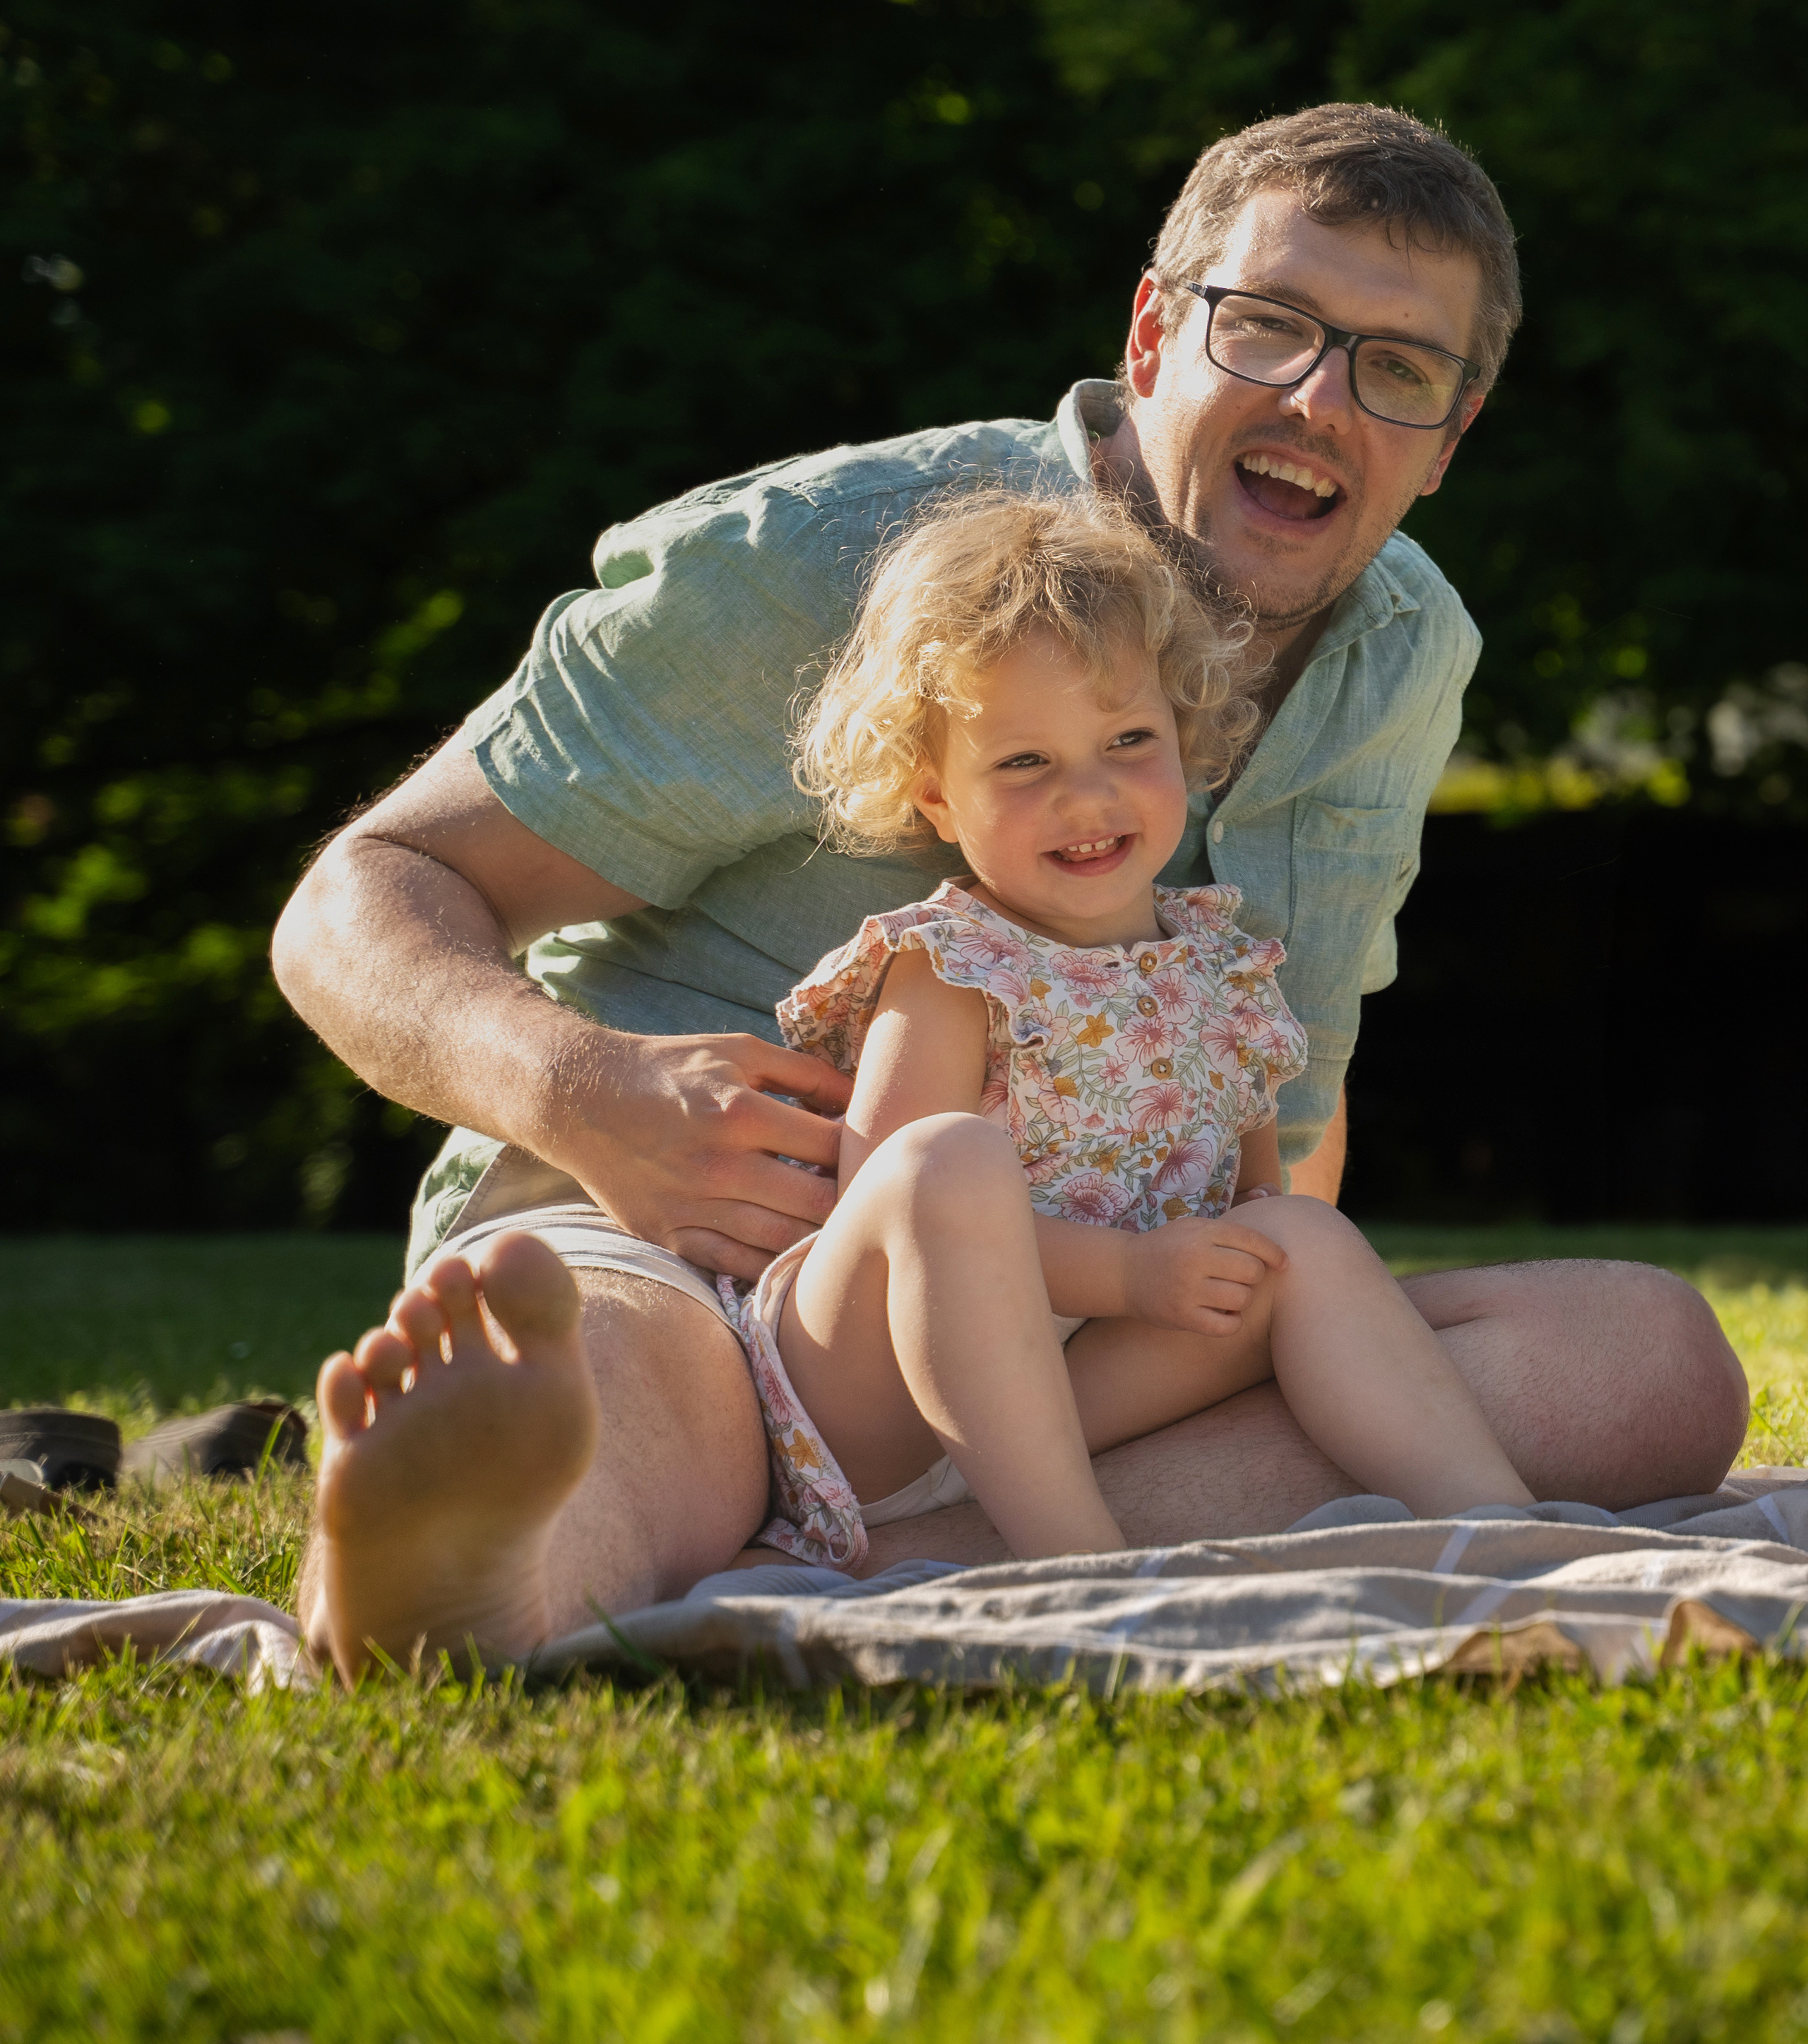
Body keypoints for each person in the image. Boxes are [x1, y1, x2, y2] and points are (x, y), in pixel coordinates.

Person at [275, 102, 1748, 1684]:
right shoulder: (833, 562)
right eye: (1267, 326)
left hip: (1092, 1318)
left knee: (1643, 1361)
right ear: (1151, 332)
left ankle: (893, 1565)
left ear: (1450, 433)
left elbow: (1287, 1107)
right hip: (715, 1270)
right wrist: (587, 1092)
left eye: (1395, 368)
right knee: (614, 1391)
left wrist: (1258, 1307)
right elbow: (365, 888)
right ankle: (475, 1583)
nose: (1320, 399)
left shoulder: (1402, 655)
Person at [723, 490, 1535, 1571]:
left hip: (1073, 1392)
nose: (1088, 794)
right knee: (944, 1159)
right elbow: (893, 1203)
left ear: (1186, 737)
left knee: (1297, 1239)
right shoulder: (953, 964)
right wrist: (1132, 1276)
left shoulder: (1222, 969)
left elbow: (1247, 1214)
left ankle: (1506, 1523)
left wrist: (1214, 1272)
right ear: (938, 800)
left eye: (1127, 739)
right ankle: (1085, 1566)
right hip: (876, 1406)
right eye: (1025, 762)